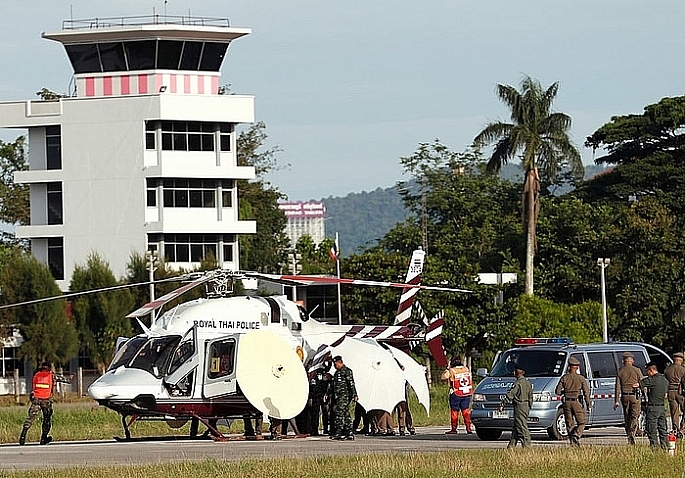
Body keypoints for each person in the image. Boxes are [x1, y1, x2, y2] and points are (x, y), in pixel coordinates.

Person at [554, 357, 591, 446]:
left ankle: (572, 442)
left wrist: (565, 392)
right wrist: (588, 404)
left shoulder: (564, 378)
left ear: (569, 367)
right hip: (576, 402)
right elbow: (586, 392)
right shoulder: (581, 378)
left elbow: (557, 392)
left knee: (569, 423)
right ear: (577, 368)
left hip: (566, 402)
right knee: (581, 422)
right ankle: (576, 435)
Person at [20, 362, 54, 446]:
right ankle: (43, 438)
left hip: (36, 399)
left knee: (31, 418)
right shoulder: (51, 375)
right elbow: (63, 379)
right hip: (46, 401)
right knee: (47, 419)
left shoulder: (37, 375)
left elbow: (34, 386)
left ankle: (23, 435)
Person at [614, 351, 643, 444]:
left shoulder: (620, 371)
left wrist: (616, 401)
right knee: (635, 416)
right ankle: (632, 433)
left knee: (627, 416)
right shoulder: (637, 370)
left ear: (623, 361)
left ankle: (628, 433)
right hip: (635, 396)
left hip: (625, 396)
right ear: (632, 361)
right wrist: (646, 396)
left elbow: (617, 387)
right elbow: (643, 384)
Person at [500, 364, 533, 448]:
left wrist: (502, 405)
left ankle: (527, 445)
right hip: (526, 406)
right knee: (516, 426)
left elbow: (510, 395)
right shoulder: (528, 383)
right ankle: (511, 445)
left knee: (521, 426)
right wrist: (529, 406)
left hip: (519, 406)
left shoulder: (517, 384)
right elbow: (531, 397)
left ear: (516, 373)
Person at [640, 361, 669, 450]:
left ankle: (655, 448)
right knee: (663, 429)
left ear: (651, 370)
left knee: (651, 429)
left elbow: (640, 383)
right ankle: (665, 447)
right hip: (662, 408)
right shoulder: (665, 380)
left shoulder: (652, 380)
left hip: (653, 408)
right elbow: (665, 395)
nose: (647, 374)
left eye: (647, 372)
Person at [441, 357, 473, 434]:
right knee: (466, 411)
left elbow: (443, 377)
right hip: (466, 393)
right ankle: (469, 428)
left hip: (456, 393)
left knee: (454, 412)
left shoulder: (452, 371)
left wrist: (447, 368)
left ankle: (454, 429)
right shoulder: (466, 369)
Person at [329, 355, 358, 440]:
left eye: (335, 364)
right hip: (338, 396)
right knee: (346, 414)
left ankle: (339, 432)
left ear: (340, 362)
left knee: (339, 413)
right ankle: (348, 432)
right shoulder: (336, 373)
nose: (334, 366)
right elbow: (333, 385)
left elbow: (351, 384)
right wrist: (328, 393)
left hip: (344, 396)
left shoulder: (347, 371)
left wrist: (354, 394)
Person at [664, 352, 685, 435]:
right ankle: (682, 428)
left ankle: (675, 429)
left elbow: (665, 382)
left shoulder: (668, 369)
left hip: (671, 392)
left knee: (674, 412)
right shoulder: (683, 369)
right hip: (680, 393)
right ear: (681, 360)